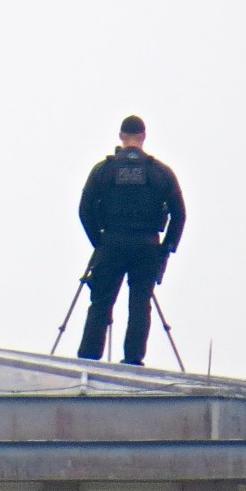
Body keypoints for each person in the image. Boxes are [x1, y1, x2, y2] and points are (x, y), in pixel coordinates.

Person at [76, 116, 185, 366]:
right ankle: (133, 360)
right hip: (147, 245)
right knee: (140, 303)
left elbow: (84, 209)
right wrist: (166, 249)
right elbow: (180, 214)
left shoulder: (104, 170)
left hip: (111, 242)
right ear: (144, 136)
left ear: (121, 136)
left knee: (101, 301)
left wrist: (98, 241)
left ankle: (89, 360)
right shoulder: (161, 172)